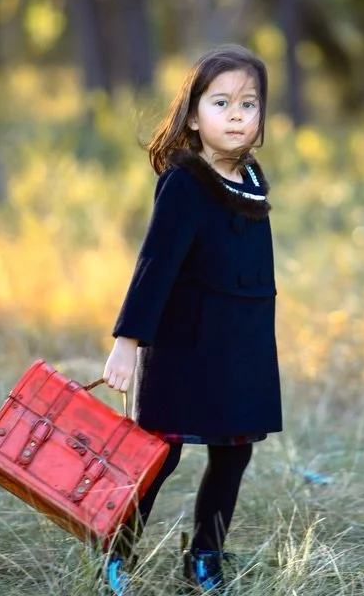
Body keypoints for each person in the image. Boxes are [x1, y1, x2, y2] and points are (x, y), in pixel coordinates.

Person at [100, 45, 283, 594]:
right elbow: (154, 265)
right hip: (184, 343)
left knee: (235, 451)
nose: (235, 115)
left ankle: (205, 556)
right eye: (220, 102)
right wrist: (129, 342)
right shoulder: (185, 182)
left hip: (240, 346)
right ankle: (117, 552)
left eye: (248, 104)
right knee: (160, 454)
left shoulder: (250, 176)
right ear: (193, 114)